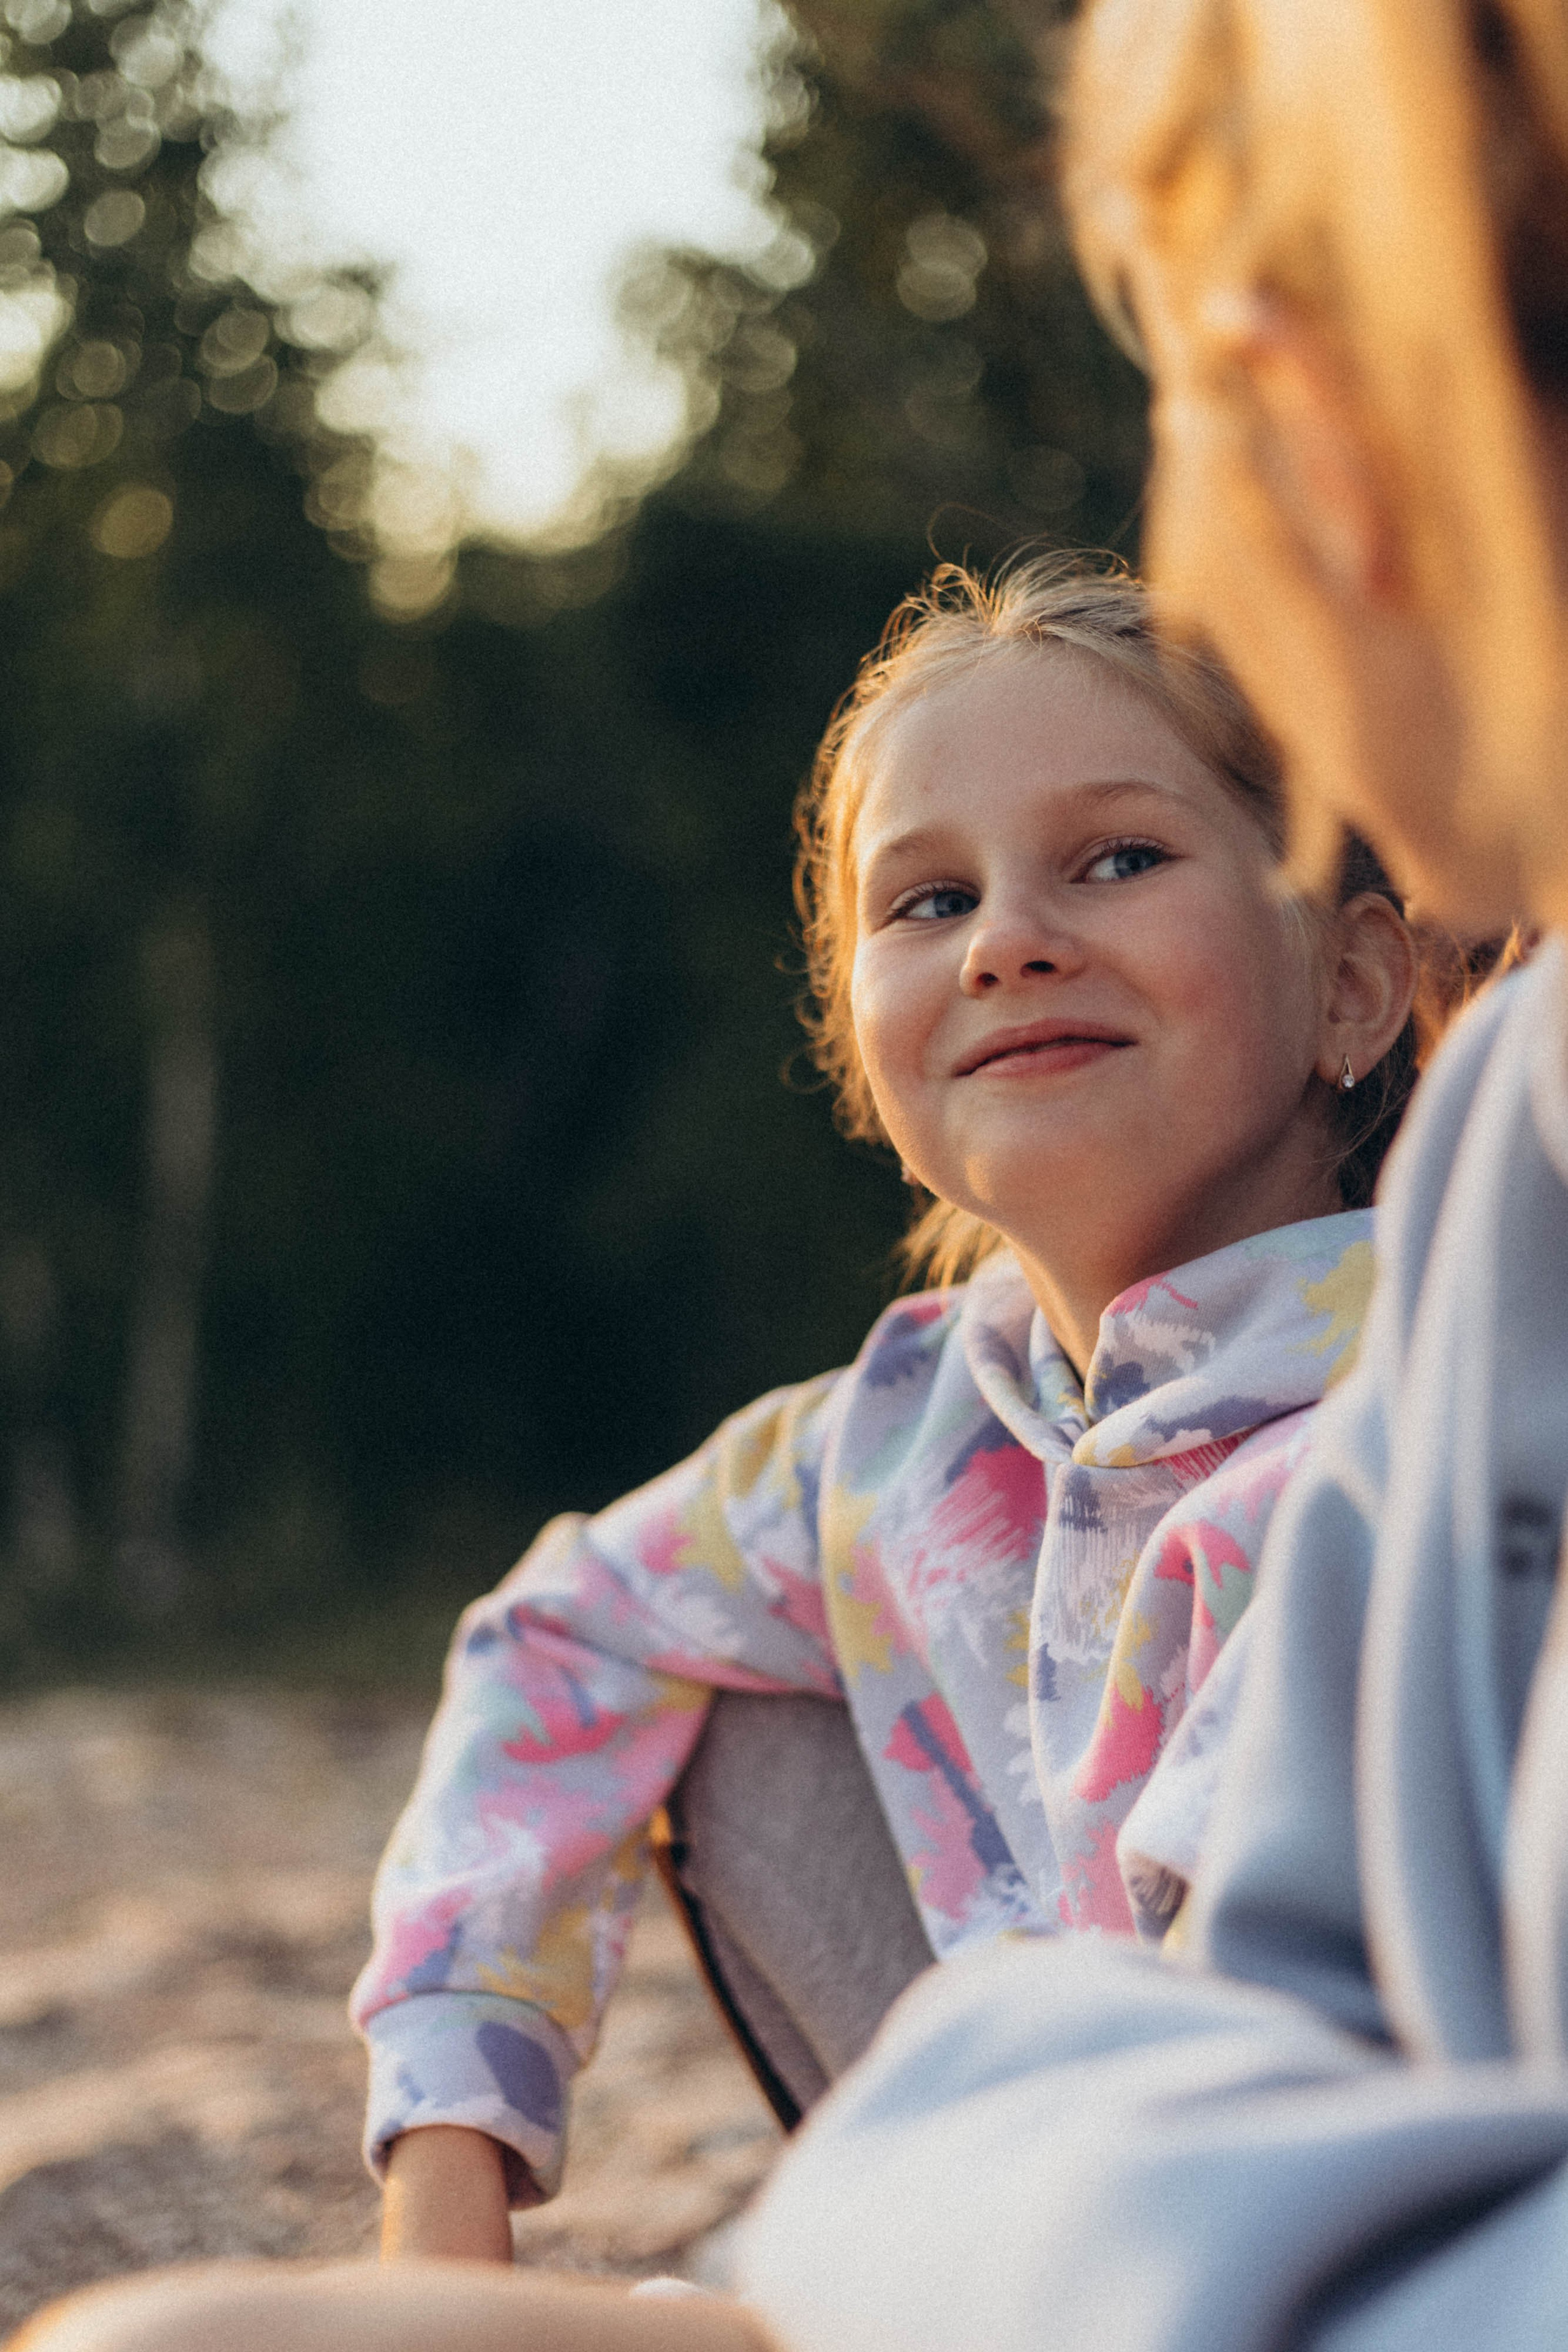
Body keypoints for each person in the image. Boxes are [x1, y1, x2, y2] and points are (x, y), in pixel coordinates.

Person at [9, 552, 1419, 2352]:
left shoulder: (1415, 1437)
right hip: (1000, 2213)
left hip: (1280, 2252)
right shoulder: (902, 1432)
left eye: (1119, 859)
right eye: (924, 899)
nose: (1007, 939)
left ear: (1358, 983)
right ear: (859, 1053)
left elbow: (1265, 2086)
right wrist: (447, 2188)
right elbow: (559, 1632)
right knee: (718, 1672)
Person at [727, 6, 1568, 2349]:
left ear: (1305, 423)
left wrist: (818, 2284)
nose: (1010, 946)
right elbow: (1306, 1980)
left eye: (1167, 392)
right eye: (926, 902)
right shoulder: (1524, 1141)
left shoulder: (1386, 1334)